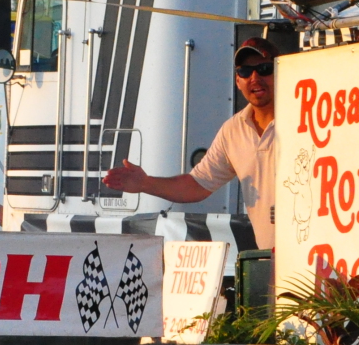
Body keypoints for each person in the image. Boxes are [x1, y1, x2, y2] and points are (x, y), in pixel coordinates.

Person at [103, 36, 279, 241]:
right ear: (238, 81)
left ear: (282, 72)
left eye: (265, 69)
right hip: (271, 258)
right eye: (245, 71)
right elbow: (196, 185)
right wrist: (145, 183)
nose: (255, 78)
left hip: (317, 255)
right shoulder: (233, 130)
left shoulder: (303, 118)